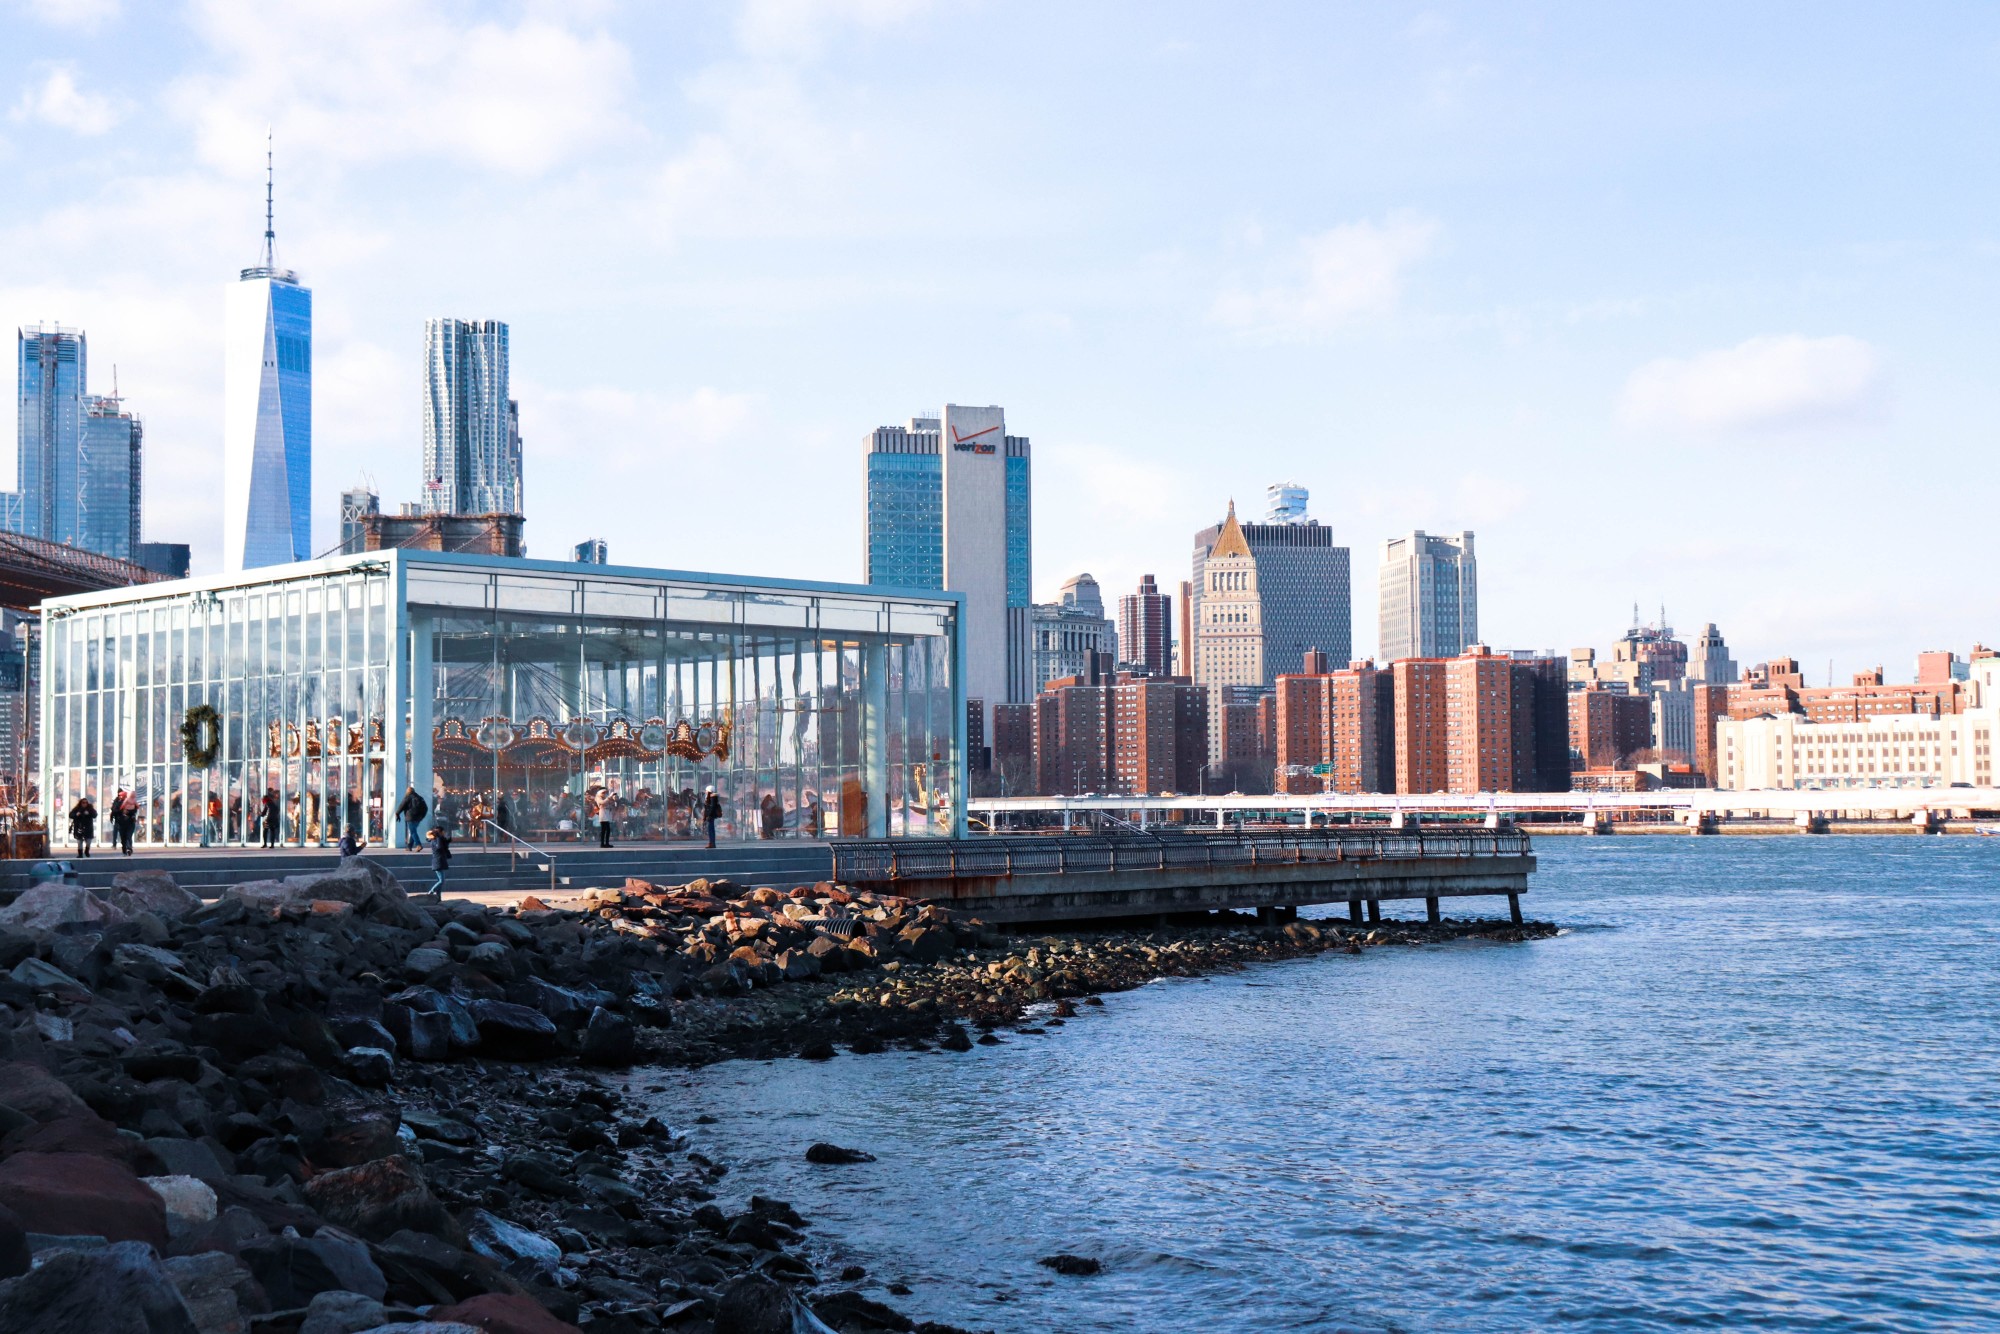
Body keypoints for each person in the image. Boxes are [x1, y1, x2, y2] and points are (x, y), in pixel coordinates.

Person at [394, 786, 428, 851]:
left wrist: (397, 813)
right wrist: (422, 816)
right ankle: (409, 846)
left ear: (408, 791)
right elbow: (425, 808)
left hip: (410, 817)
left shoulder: (408, 797)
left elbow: (402, 805)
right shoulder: (420, 798)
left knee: (413, 831)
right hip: (418, 817)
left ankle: (418, 845)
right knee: (413, 830)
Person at [425, 826, 451, 897]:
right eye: (443, 832)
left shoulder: (437, 839)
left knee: (440, 881)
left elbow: (444, 846)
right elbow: (439, 847)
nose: (444, 833)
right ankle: (430, 892)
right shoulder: (435, 840)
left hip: (440, 861)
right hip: (438, 862)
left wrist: (447, 840)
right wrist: (440, 837)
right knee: (441, 881)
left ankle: (438, 897)